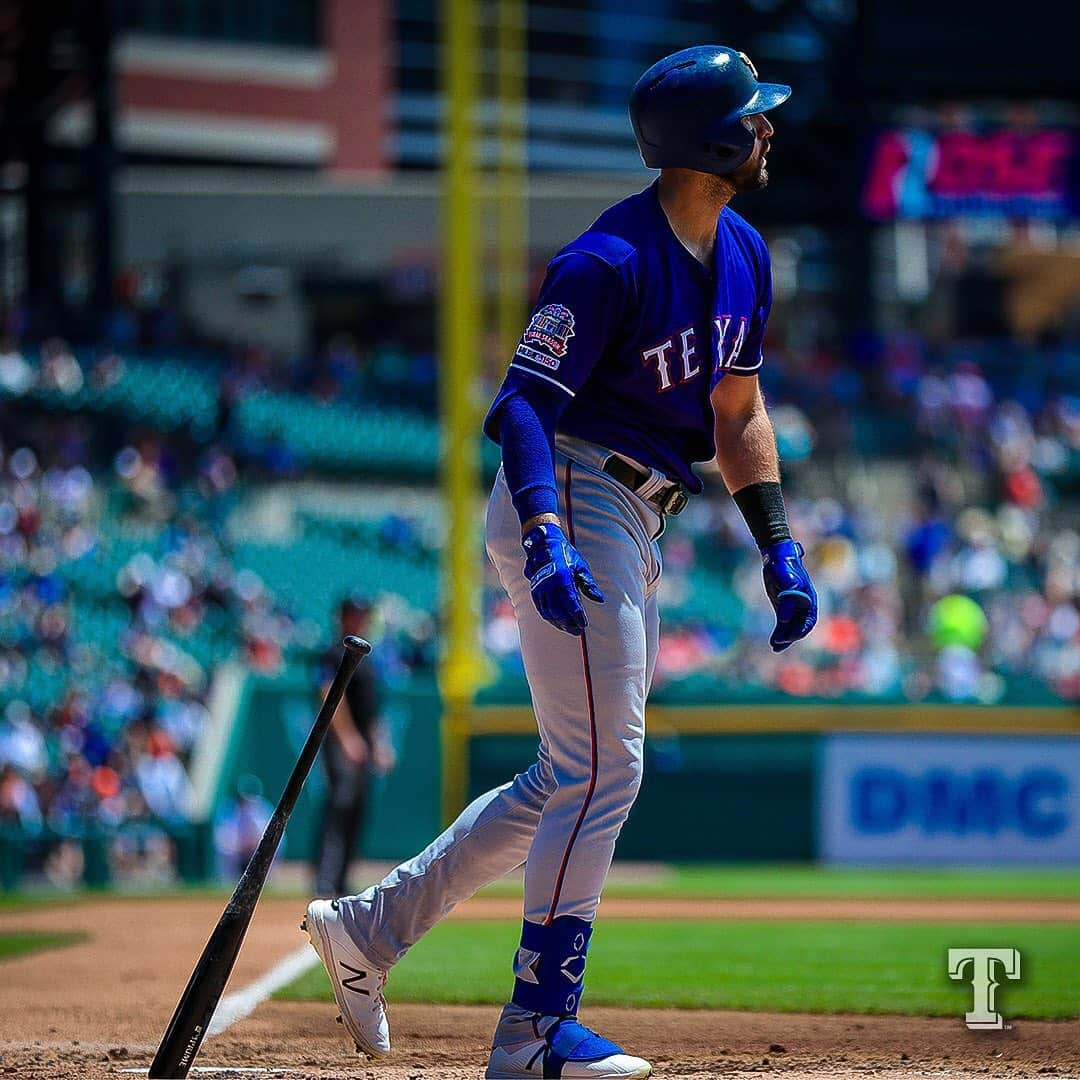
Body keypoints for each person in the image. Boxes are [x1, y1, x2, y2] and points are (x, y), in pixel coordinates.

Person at [302, 46, 818, 1080]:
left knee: (565, 775)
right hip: (575, 493)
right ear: (711, 139)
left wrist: (779, 542)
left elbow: (738, 410)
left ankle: (370, 927)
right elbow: (526, 406)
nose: (768, 128)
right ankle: (534, 1031)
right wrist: (541, 531)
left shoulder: (748, 252)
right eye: (751, 116)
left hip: (639, 510)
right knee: (606, 770)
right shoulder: (609, 260)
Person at [312, 597, 395, 898]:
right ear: (343, 616)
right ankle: (325, 879)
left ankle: (342, 879)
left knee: (357, 809)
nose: (361, 619)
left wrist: (380, 744)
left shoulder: (370, 657)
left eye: (364, 614)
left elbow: (372, 709)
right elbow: (328, 695)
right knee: (340, 804)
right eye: (355, 614)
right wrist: (347, 737)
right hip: (339, 742)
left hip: (362, 741)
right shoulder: (334, 652)